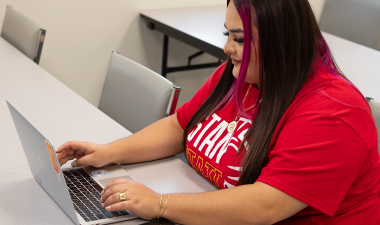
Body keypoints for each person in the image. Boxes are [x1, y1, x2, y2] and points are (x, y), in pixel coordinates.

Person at [57, 0, 380, 224]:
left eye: (239, 38)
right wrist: (110, 152)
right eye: (228, 34)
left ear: (282, 40)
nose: (226, 48)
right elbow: (180, 125)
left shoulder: (332, 113)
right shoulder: (242, 73)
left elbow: (265, 207)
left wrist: (161, 204)